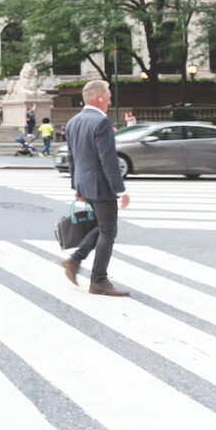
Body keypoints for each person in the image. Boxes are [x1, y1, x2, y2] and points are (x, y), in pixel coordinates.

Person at [62, 80, 131, 297]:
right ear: (98, 97)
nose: (110, 101)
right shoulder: (101, 122)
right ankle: (98, 280)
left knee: (104, 227)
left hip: (85, 183)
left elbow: (72, 157)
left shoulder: (73, 121)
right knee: (109, 231)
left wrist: (77, 185)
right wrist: (121, 190)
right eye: (108, 96)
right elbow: (108, 160)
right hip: (101, 185)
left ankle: (75, 260)